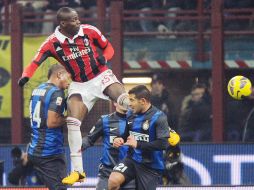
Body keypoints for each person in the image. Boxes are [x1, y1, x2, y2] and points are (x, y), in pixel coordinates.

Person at [18, 7, 129, 185]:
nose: (78, 22)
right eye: (74, 20)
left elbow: (108, 48)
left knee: (124, 99)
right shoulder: (51, 42)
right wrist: (25, 76)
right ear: (63, 23)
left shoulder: (90, 31)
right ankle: (78, 171)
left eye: (78, 18)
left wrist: (105, 58)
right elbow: (35, 61)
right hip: (79, 84)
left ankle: (162, 128)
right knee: (72, 122)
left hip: (101, 76)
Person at [108, 85, 171, 190]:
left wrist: (138, 144)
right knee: (113, 181)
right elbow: (126, 134)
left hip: (150, 166)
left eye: (132, 100)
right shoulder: (130, 114)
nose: (129, 104)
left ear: (142, 101)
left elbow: (163, 143)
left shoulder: (159, 117)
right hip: (131, 159)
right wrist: (119, 139)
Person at [27, 64, 71, 190]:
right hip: (49, 152)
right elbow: (51, 122)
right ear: (59, 75)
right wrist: (70, 117)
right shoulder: (57, 92)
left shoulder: (37, 89)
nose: (68, 83)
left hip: (34, 150)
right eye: (67, 78)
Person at [82, 103, 135, 190]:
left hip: (130, 174)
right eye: (120, 100)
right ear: (115, 102)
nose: (124, 102)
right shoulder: (105, 120)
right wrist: (77, 147)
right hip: (108, 173)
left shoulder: (137, 121)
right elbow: (89, 139)